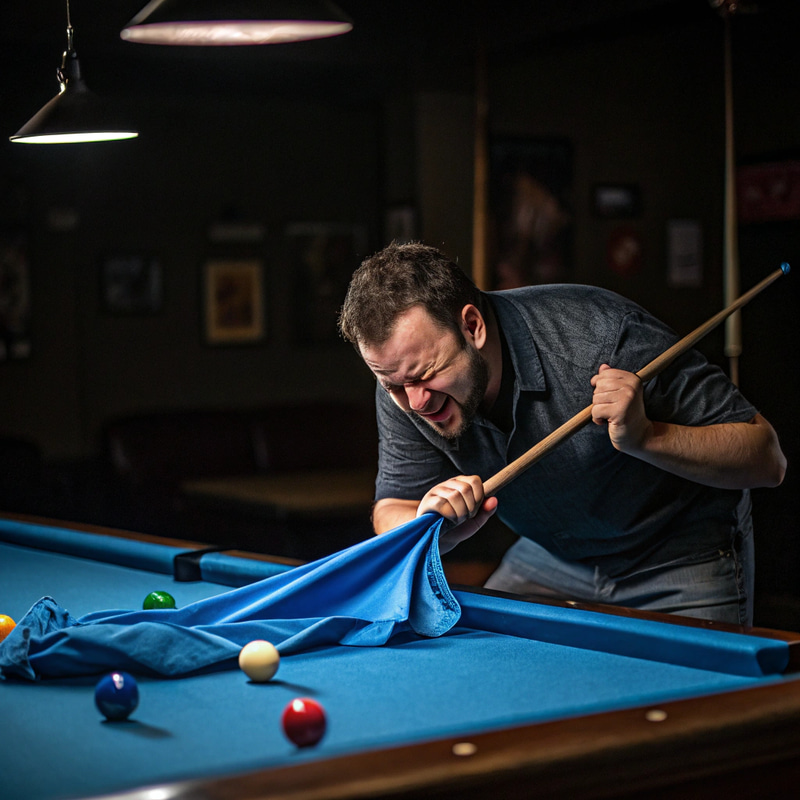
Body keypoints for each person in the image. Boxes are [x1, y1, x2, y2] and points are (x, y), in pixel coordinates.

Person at [337, 242, 786, 625]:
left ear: (472, 327)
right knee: (480, 667)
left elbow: (767, 459)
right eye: (393, 385)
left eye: (425, 375)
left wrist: (647, 436)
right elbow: (391, 510)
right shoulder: (404, 378)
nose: (415, 402)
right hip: (553, 558)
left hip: (677, 555)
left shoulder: (602, 336)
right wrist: (432, 526)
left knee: (701, 702)